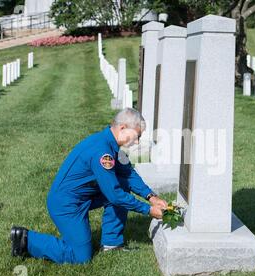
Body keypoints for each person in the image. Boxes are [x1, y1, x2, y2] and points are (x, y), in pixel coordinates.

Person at [10, 108, 167, 264]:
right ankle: (26, 239)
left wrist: (151, 197)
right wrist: (148, 210)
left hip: (83, 197)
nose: (138, 141)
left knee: (122, 184)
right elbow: (114, 194)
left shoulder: (111, 144)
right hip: (67, 205)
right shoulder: (102, 152)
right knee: (80, 257)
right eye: (137, 135)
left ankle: (111, 243)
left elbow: (127, 174)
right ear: (123, 128)